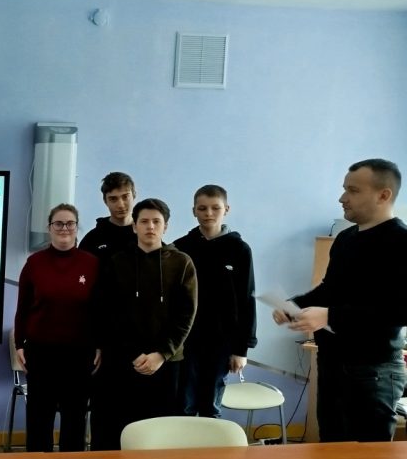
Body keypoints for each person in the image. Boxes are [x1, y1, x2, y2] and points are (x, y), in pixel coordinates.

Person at [275, 159, 407, 442]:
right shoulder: (346, 238)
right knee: (331, 449)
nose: (342, 198)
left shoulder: (401, 241)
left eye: (353, 190)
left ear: (383, 195)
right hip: (332, 362)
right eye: (344, 188)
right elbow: (329, 289)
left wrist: (330, 316)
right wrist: (293, 306)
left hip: (373, 372)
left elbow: (399, 310)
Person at [92, 198, 197, 450]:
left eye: (156, 222)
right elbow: (110, 313)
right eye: (144, 221)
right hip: (124, 360)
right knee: (119, 429)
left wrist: (161, 354)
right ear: (134, 226)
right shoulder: (117, 262)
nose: (150, 226)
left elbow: (186, 315)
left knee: (160, 433)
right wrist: (133, 353)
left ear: (166, 226)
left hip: (166, 362)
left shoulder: (182, 263)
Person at [14, 204, 100, 452]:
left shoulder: (91, 264)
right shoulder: (34, 263)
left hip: (79, 353)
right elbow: (23, 307)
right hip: (41, 352)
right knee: (39, 417)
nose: (64, 228)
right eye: (58, 223)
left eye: (70, 223)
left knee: (75, 417)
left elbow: (99, 309)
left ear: (76, 227)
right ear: (49, 228)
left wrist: (99, 345)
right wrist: (19, 344)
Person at [174, 185, 256, 417]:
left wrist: (241, 349)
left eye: (215, 208)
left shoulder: (240, 249)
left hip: (222, 343)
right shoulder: (181, 248)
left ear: (226, 209)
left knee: (210, 406)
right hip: (187, 341)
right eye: (202, 208)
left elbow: (247, 300)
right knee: (184, 406)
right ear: (194, 211)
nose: (208, 213)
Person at [78, 171, 138, 262]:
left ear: (134, 196)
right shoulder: (92, 239)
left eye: (125, 197)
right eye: (113, 199)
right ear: (105, 201)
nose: (120, 205)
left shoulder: (146, 234)